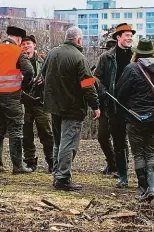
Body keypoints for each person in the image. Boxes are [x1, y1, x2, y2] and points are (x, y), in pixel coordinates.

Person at [43, 26, 100, 191]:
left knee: (58, 142)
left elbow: (44, 73)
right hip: (73, 108)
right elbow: (88, 86)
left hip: (54, 105)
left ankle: (57, 174)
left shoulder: (53, 53)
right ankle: (62, 178)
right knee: (68, 144)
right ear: (79, 40)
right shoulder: (79, 58)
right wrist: (95, 106)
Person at [116, 38, 154, 202]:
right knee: (153, 153)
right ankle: (152, 187)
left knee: (138, 154)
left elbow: (120, 94)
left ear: (137, 53)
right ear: (153, 52)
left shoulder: (131, 68)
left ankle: (143, 188)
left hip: (135, 118)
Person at [0, 26, 34, 174]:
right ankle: (17, 166)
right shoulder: (18, 52)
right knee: (15, 129)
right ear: (19, 39)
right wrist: (23, 86)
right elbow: (29, 71)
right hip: (12, 96)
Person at [94, 23, 135, 188]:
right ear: (118, 37)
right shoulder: (107, 57)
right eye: (126, 35)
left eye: (131, 35)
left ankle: (144, 176)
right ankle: (121, 173)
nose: (129, 38)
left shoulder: (136, 56)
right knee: (118, 139)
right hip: (113, 104)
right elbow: (96, 78)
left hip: (133, 104)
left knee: (138, 141)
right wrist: (104, 93)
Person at [20, 35, 53, 172]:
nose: (26, 46)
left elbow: (53, 77)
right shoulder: (18, 60)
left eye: (28, 43)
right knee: (26, 134)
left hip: (41, 102)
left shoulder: (44, 60)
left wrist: (43, 81)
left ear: (34, 45)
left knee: (46, 132)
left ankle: (52, 162)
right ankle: (30, 162)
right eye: (23, 44)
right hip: (24, 102)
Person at [96, 39, 117, 175]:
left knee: (119, 137)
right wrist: (103, 91)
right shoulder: (102, 61)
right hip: (104, 104)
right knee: (102, 137)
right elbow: (96, 78)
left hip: (120, 104)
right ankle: (112, 162)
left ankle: (121, 167)